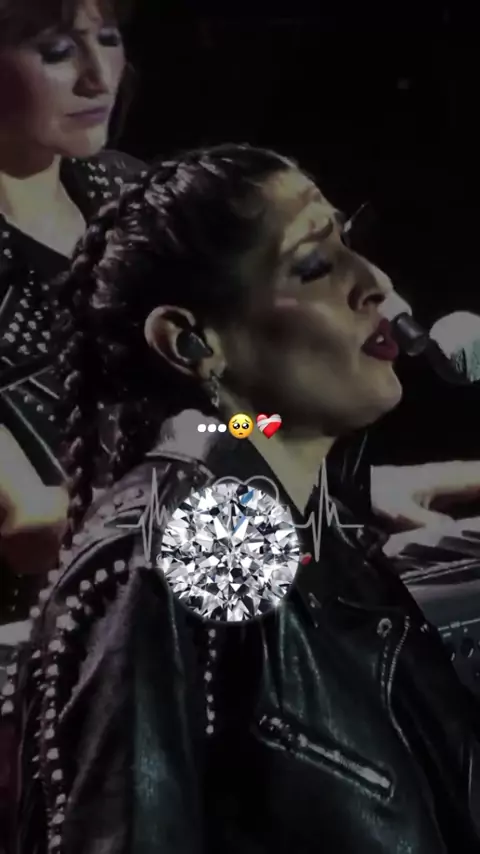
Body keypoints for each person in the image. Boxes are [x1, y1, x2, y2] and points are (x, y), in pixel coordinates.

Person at [8, 143, 480, 853]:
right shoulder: (203, 537)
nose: (375, 283)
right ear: (191, 344)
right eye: (315, 265)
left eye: (349, 243)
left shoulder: (303, 516)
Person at [0, 0, 145, 624]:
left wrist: (325, 483)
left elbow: (236, 421)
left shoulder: (132, 198)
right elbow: (27, 523)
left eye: (107, 39)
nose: (99, 77)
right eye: (57, 52)